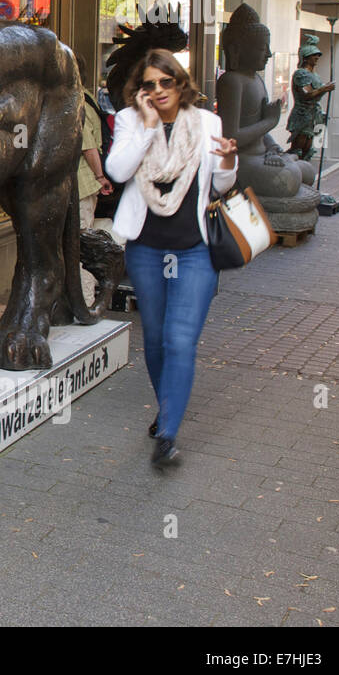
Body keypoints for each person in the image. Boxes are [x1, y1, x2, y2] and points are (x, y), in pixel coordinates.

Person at [105, 49, 237, 469]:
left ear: (181, 84)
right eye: (149, 84)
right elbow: (118, 171)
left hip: (195, 249)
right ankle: (167, 409)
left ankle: (168, 436)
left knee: (181, 341)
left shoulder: (206, 123)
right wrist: (146, 128)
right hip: (146, 248)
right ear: (140, 90)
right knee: (157, 341)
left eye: (166, 82)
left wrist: (230, 161)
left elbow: (221, 182)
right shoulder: (130, 120)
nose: (158, 90)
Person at [77, 64, 113, 303]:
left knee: (79, 243)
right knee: (81, 238)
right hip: (87, 182)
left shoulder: (74, 101)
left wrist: (100, 176)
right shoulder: (88, 95)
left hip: (82, 181)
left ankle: (85, 300)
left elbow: (88, 145)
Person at [286, 37, 335, 160]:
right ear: (306, 57)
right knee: (298, 148)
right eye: (314, 55)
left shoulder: (315, 75)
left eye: (318, 55)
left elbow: (316, 94)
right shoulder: (301, 74)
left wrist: (325, 88)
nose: (317, 57)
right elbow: (306, 94)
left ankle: (303, 172)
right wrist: (324, 89)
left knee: (308, 148)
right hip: (302, 114)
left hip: (312, 114)